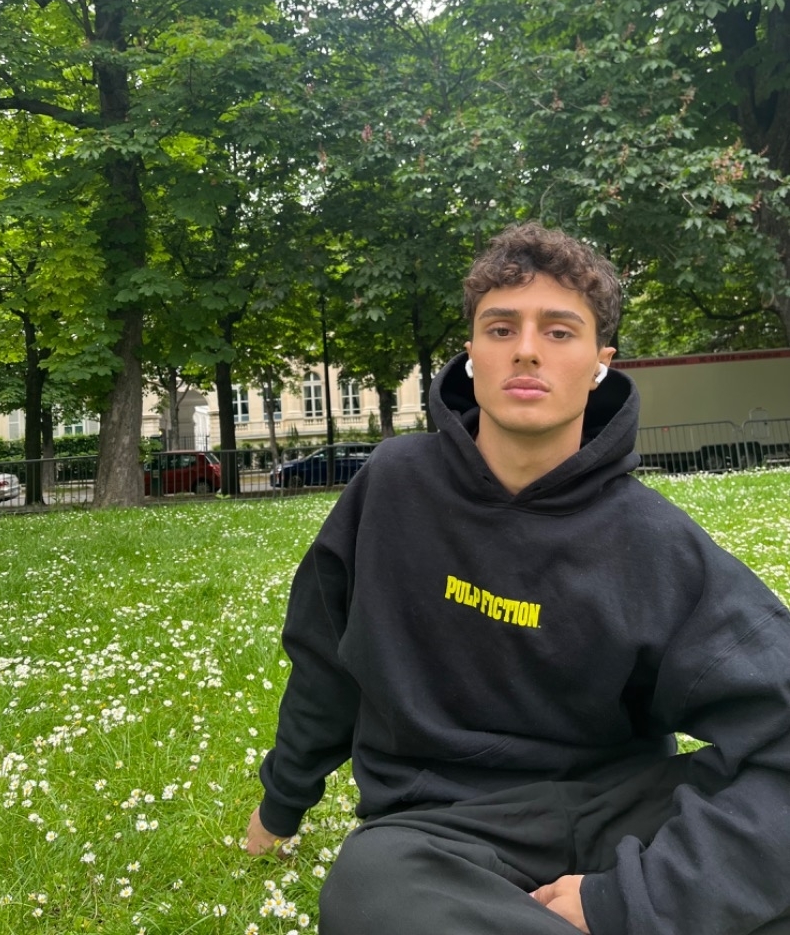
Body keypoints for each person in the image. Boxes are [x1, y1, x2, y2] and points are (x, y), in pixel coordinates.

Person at [245, 222, 790, 935]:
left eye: (560, 332)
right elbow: (326, 661)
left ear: (600, 363)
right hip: (442, 831)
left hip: (623, 812)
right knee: (368, 890)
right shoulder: (393, 488)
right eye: (501, 328)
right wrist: (281, 802)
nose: (527, 349)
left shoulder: (654, 542)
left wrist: (631, 900)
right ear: (472, 353)